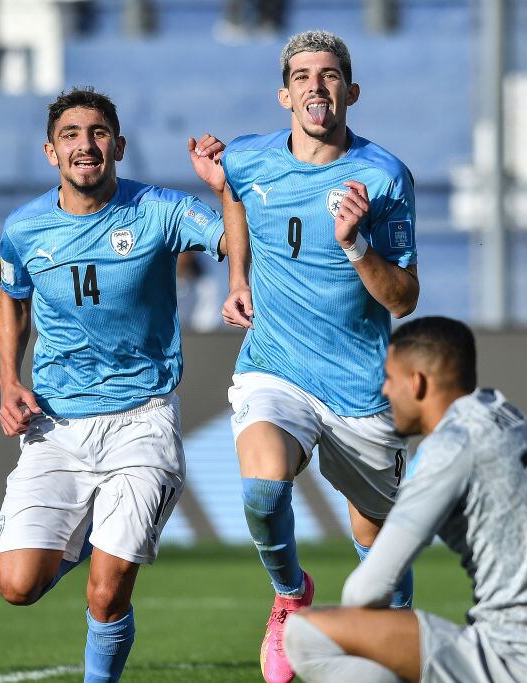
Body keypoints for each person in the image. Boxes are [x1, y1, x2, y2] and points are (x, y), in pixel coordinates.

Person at [0, 87, 227, 682]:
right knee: (17, 587)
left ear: (118, 145)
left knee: (107, 592)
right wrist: (8, 380)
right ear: (51, 152)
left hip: (141, 420)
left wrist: (225, 189)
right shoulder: (24, 229)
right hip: (55, 424)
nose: (85, 145)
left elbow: (229, 236)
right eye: (71, 135)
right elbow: (11, 298)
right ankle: (94, 539)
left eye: (98, 133)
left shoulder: (159, 210)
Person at [211, 30, 420, 683]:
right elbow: (234, 193)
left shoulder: (384, 176)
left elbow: (405, 297)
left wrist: (357, 245)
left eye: (329, 75)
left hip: (360, 385)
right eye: (302, 76)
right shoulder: (249, 157)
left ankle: (399, 636)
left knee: (379, 560)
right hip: (277, 365)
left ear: (351, 91)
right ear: (284, 94)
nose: (316, 86)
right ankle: (289, 593)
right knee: (263, 485)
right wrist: (238, 277)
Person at [284, 316, 527, 683]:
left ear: (416, 382)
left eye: (389, 378)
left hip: (518, 661)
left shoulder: (452, 445)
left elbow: (366, 589)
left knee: (304, 632)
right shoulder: (511, 418)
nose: (384, 391)